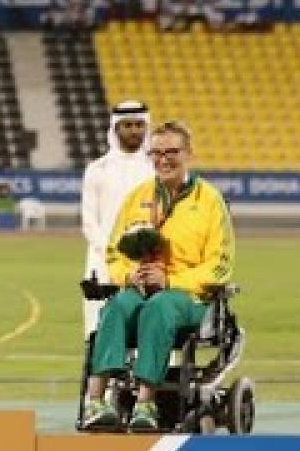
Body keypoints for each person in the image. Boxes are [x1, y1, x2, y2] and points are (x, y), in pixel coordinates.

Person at [82, 121, 235, 431]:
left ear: (188, 153)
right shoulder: (137, 196)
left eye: (172, 152)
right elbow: (114, 250)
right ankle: (95, 401)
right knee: (118, 306)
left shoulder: (209, 201)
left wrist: (170, 282)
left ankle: (145, 403)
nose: (163, 159)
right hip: (142, 290)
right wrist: (130, 275)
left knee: (159, 306)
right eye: (156, 152)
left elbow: (220, 265)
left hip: (191, 297)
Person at [80, 100, 152, 336]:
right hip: (102, 262)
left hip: (147, 262)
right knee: (99, 329)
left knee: (149, 329)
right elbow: (89, 222)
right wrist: (113, 251)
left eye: (139, 125)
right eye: (127, 125)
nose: (134, 131)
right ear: (115, 129)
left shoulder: (156, 169)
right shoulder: (97, 169)